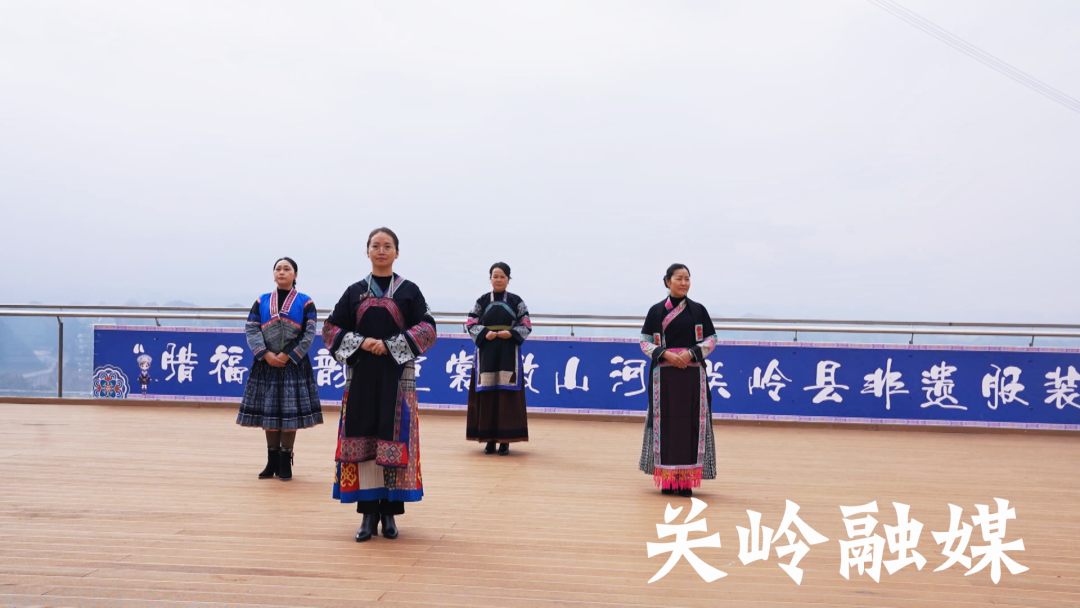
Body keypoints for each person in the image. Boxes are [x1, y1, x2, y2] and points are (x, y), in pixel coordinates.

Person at [322, 228, 436, 542]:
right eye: (375, 245)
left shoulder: (409, 291)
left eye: (387, 246)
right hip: (361, 378)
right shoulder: (354, 291)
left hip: (398, 378)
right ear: (367, 252)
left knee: (394, 438)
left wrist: (390, 345)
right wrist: (363, 342)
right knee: (364, 438)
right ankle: (368, 514)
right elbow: (330, 329)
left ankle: (390, 514)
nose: (381, 250)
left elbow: (428, 328)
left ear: (397, 252)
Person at [237, 256, 324, 481]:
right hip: (266, 364)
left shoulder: (306, 302)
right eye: (278, 268)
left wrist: (286, 355)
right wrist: (265, 354)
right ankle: (271, 460)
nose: (282, 272)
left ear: (295, 275)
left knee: (288, 412)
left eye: (287, 269)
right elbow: (251, 328)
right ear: (273, 274)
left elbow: (309, 333)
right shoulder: (262, 301)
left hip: (293, 363)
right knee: (270, 411)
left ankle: (286, 460)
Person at [638, 264, 718, 497]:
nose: (684, 283)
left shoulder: (698, 311)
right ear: (667, 281)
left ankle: (686, 481)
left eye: (687, 279)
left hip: (692, 377)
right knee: (666, 424)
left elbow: (711, 338)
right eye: (679, 278)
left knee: (690, 424)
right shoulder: (656, 312)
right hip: (664, 378)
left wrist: (691, 353)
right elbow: (644, 341)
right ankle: (667, 479)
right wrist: (666, 354)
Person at [465, 262, 532, 455]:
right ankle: (488, 440)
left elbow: (526, 324)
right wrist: (484, 333)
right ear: (490, 279)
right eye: (495, 276)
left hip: (508, 352)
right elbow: (470, 322)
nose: (499, 280)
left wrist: (510, 334)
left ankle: (505, 441)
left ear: (508, 279)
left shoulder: (517, 301)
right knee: (487, 394)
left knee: (506, 396)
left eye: (502, 276)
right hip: (486, 352)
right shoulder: (482, 301)